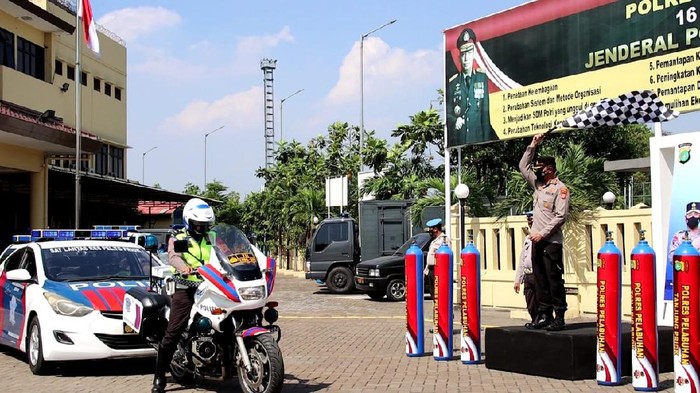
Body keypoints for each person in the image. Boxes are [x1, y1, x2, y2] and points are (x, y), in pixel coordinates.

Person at [152, 198, 215, 393]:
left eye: (205, 225)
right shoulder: (178, 236)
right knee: (174, 330)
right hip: (187, 285)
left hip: (213, 284)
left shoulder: (213, 236)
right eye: (198, 224)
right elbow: (174, 257)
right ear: (189, 221)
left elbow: (229, 252)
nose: (202, 228)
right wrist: (184, 267)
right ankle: (160, 376)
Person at [518, 133, 570, 331]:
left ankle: (559, 317)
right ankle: (544, 315)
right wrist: (533, 144)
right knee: (539, 280)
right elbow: (523, 166)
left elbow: (560, 216)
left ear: (549, 169)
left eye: (540, 168)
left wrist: (543, 233)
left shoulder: (560, 189)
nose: (537, 171)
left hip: (551, 242)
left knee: (553, 280)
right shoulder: (539, 185)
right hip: (537, 241)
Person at [446, 27, 497, 147]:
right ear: (459, 56)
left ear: (473, 54)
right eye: (463, 53)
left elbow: (485, 114)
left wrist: (486, 142)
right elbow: (448, 113)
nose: (466, 58)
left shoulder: (481, 77)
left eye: (469, 53)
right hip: (460, 139)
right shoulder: (453, 83)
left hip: (478, 138)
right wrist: (455, 120)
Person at [514, 211, 538, 327]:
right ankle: (534, 320)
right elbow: (522, 260)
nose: (530, 223)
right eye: (529, 221)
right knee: (530, 301)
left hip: (538, 275)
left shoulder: (541, 237)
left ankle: (541, 321)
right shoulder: (527, 239)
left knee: (540, 301)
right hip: (528, 275)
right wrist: (518, 280)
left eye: (532, 221)